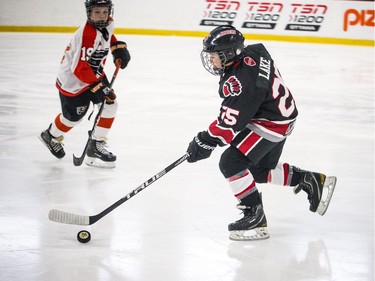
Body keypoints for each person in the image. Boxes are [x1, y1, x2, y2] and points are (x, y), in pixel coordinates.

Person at [186, 25, 337, 241]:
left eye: (215, 56)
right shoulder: (255, 51)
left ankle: (254, 214)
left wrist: (204, 141)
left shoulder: (241, 83)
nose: (211, 61)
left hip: (271, 123)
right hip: (281, 116)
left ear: (230, 53)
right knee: (257, 170)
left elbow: (229, 124)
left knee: (231, 163)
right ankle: (312, 180)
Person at [39, 0, 130, 168]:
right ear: (89, 13)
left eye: (105, 11)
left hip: (93, 73)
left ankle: (96, 144)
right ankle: (50, 135)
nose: (102, 16)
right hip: (73, 81)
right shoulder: (86, 35)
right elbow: (79, 68)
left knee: (110, 104)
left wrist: (117, 48)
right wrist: (99, 86)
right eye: (97, 12)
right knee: (72, 119)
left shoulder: (108, 23)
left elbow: (108, 37)